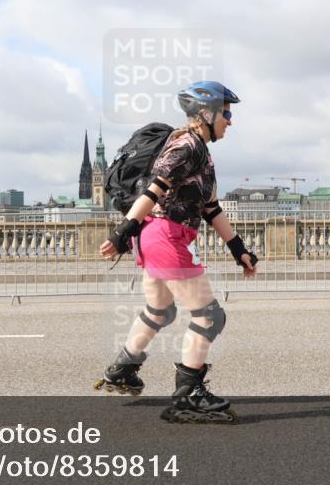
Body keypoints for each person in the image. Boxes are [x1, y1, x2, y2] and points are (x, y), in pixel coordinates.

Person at [96, 81, 258, 423]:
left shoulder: (201, 151)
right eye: (226, 113)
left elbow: (211, 208)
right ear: (206, 114)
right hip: (166, 237)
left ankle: (122, 368)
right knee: (210, 317)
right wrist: (122, 232)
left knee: (160, 311)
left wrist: (238, 248)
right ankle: (188, 395)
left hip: (157, 237)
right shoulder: (186, 145)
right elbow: (154, 190)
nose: (230, 121)